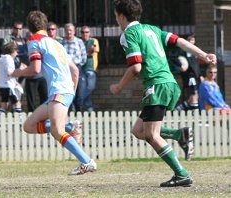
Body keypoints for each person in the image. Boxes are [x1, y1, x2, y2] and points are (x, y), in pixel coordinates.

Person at [110, 0, 216, 187]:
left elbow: (135, 67)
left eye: (116, 16)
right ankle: (179, 135)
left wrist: (119, 86)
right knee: (138, 131)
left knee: (151, 135)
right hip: (168, 83)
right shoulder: (152, 29)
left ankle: (182, 174)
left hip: (156, 85)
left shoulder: (128, 34)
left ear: (121, 16)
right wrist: (203, 55)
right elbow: (180, 41)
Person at [11, 10, 96, 174]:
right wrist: (71, 90)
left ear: (30, 28)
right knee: (28, 126)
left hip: (59, 91)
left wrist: (18, 72)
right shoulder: (57, 43)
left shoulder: (34, 41)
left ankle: (87, 161)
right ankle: (71, 126)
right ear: (44, 25)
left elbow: (35, 69)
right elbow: (75, 70)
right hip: (64, 91)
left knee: (57, 131)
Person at [2, 22, 48, 113]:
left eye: (32, 37)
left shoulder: (39, 46)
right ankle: (23, 115)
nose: (31, 39)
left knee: (45, 98)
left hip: (41, 76)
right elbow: (11, 54)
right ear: (27, 39)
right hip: (29, 77)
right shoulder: (22, 48)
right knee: (29, 100)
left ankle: (44, 116)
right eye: (29, 38)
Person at [61, 23, 87, 112]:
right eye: (67, 30)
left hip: (77, 68)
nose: (69, 32)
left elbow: (84, 57)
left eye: (70, 30)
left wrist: (76, 66)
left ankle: (79, 117)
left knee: (79, 96)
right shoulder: (61, 43)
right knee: (66, 96)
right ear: (65, 31)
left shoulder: (79, 42)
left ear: (74, 31)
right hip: (65, 71)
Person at [174, 34, 203, 111]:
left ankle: (177, 110)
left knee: (193, 97)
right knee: (194, 95)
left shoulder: (195, 52)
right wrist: (181, 65)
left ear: (194, 41)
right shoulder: (182, 51)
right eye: (189, 40)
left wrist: (200, 75)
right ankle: (196, 115)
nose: (191, 41)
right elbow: (176, 59)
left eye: (192, 40)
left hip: (195, 76)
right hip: (189, 76)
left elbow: (196, 65)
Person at [0, 41, 23, 114]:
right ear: (12, 51)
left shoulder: (3, 58)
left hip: (3, 85)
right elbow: (9, 73)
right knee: (17, 103)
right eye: (16, 51)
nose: (17, 53)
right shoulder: (9, 59)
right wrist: (20, 69)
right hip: (9, 85)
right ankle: (20, 120)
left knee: (4, 104)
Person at [80, 26, 100, 112]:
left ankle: (78, 102)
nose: (85, 34)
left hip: (91, 68)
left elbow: (93, 50)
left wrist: (84, 53)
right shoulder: (79, 42)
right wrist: (87, 52)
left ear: (90, 33)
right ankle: (89, 107)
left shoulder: (93, 40)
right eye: (83, 32)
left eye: (87, 32)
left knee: (91, 87)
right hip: (81, 68)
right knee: (83, 89)